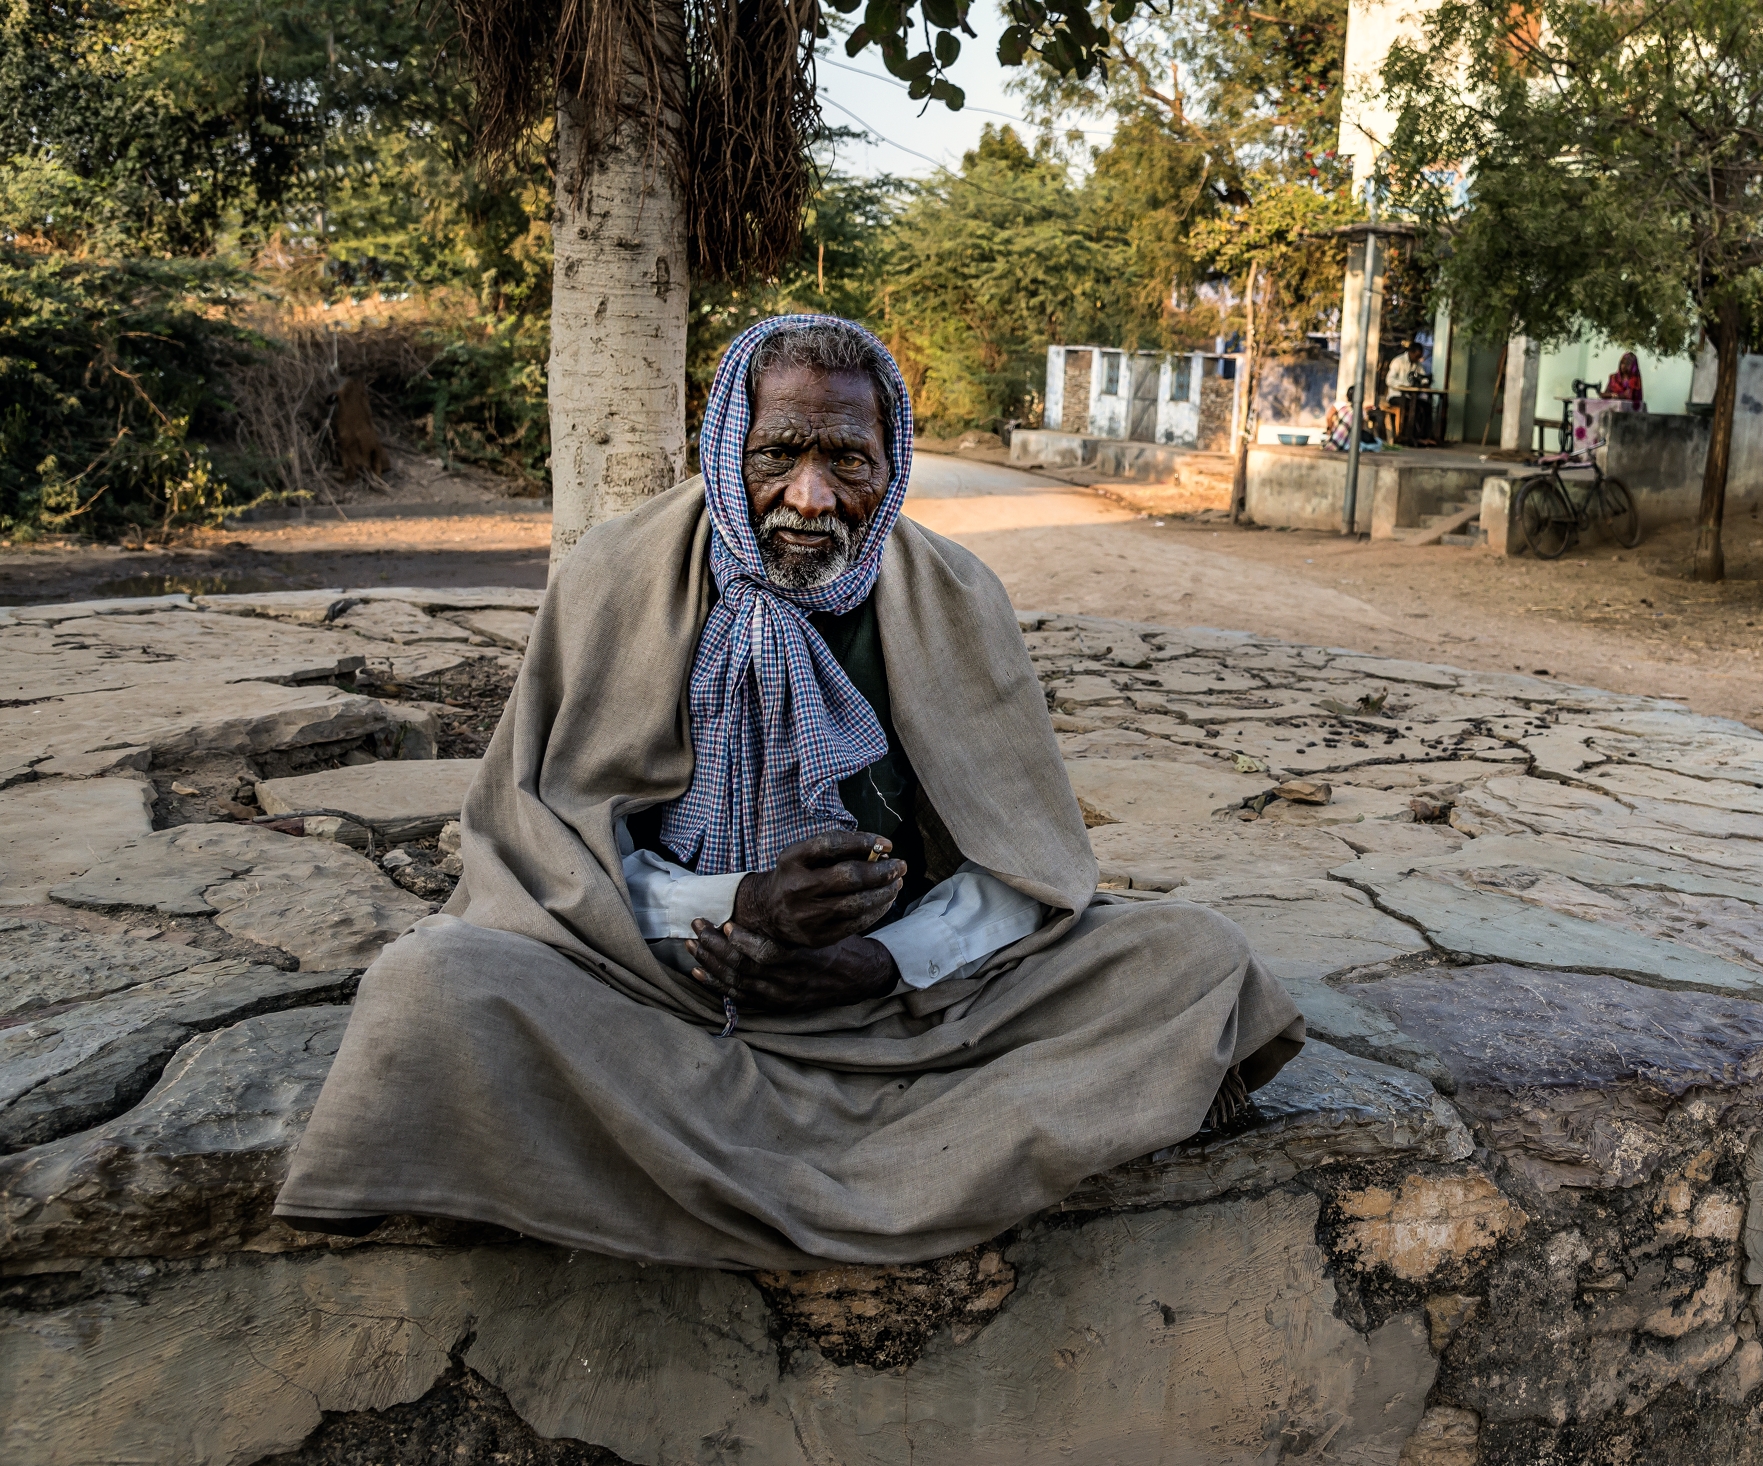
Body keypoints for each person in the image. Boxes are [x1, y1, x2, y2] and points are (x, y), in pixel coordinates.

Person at [274, 315, 1304, 1271]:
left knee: (1193, 955)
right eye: (780, 455)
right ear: (730, 446)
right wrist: (734, 909)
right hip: (661, 990)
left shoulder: (950, 594)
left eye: (846, 460)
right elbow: (541, 850)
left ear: (889, 464)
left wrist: (878, 956)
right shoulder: (616, 573)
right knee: (433, 980)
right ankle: (902, 1160)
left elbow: (1021, 858)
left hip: (905, 1006)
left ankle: (719, 1161)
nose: (810, 497)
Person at [1383, 342, 1434, 444]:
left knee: (1426, 406)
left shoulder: (1417, 365)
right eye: (1417, 356)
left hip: (1409, 397)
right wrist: (1405, 385)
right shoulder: (1398, 361)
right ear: (1411, 352)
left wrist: (1425, 383)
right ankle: (1407, 436)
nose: (1418, 358)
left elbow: (1423, 377)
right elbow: (1389, 380)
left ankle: (1425, 436)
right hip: (1396, 395)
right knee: (1413, 406)